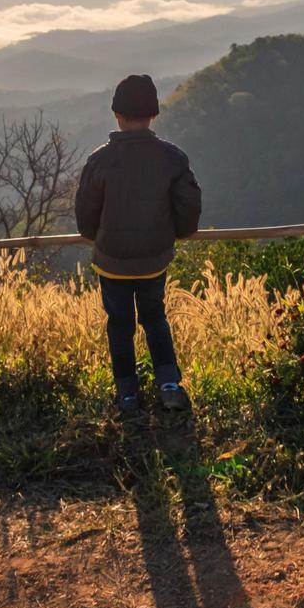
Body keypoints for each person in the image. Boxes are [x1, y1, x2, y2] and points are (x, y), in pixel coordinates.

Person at [74, 74, 203, 417]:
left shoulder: (99, 160)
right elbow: (189, 207)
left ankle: (128, 394)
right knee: (155, 318)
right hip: (154, 259)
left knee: (119, 325)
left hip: (111, 260)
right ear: (154, 115)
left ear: (116, 113)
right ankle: (169, 385)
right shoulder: (173, 158)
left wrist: (95, 237)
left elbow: (86, 214)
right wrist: (178, 234)